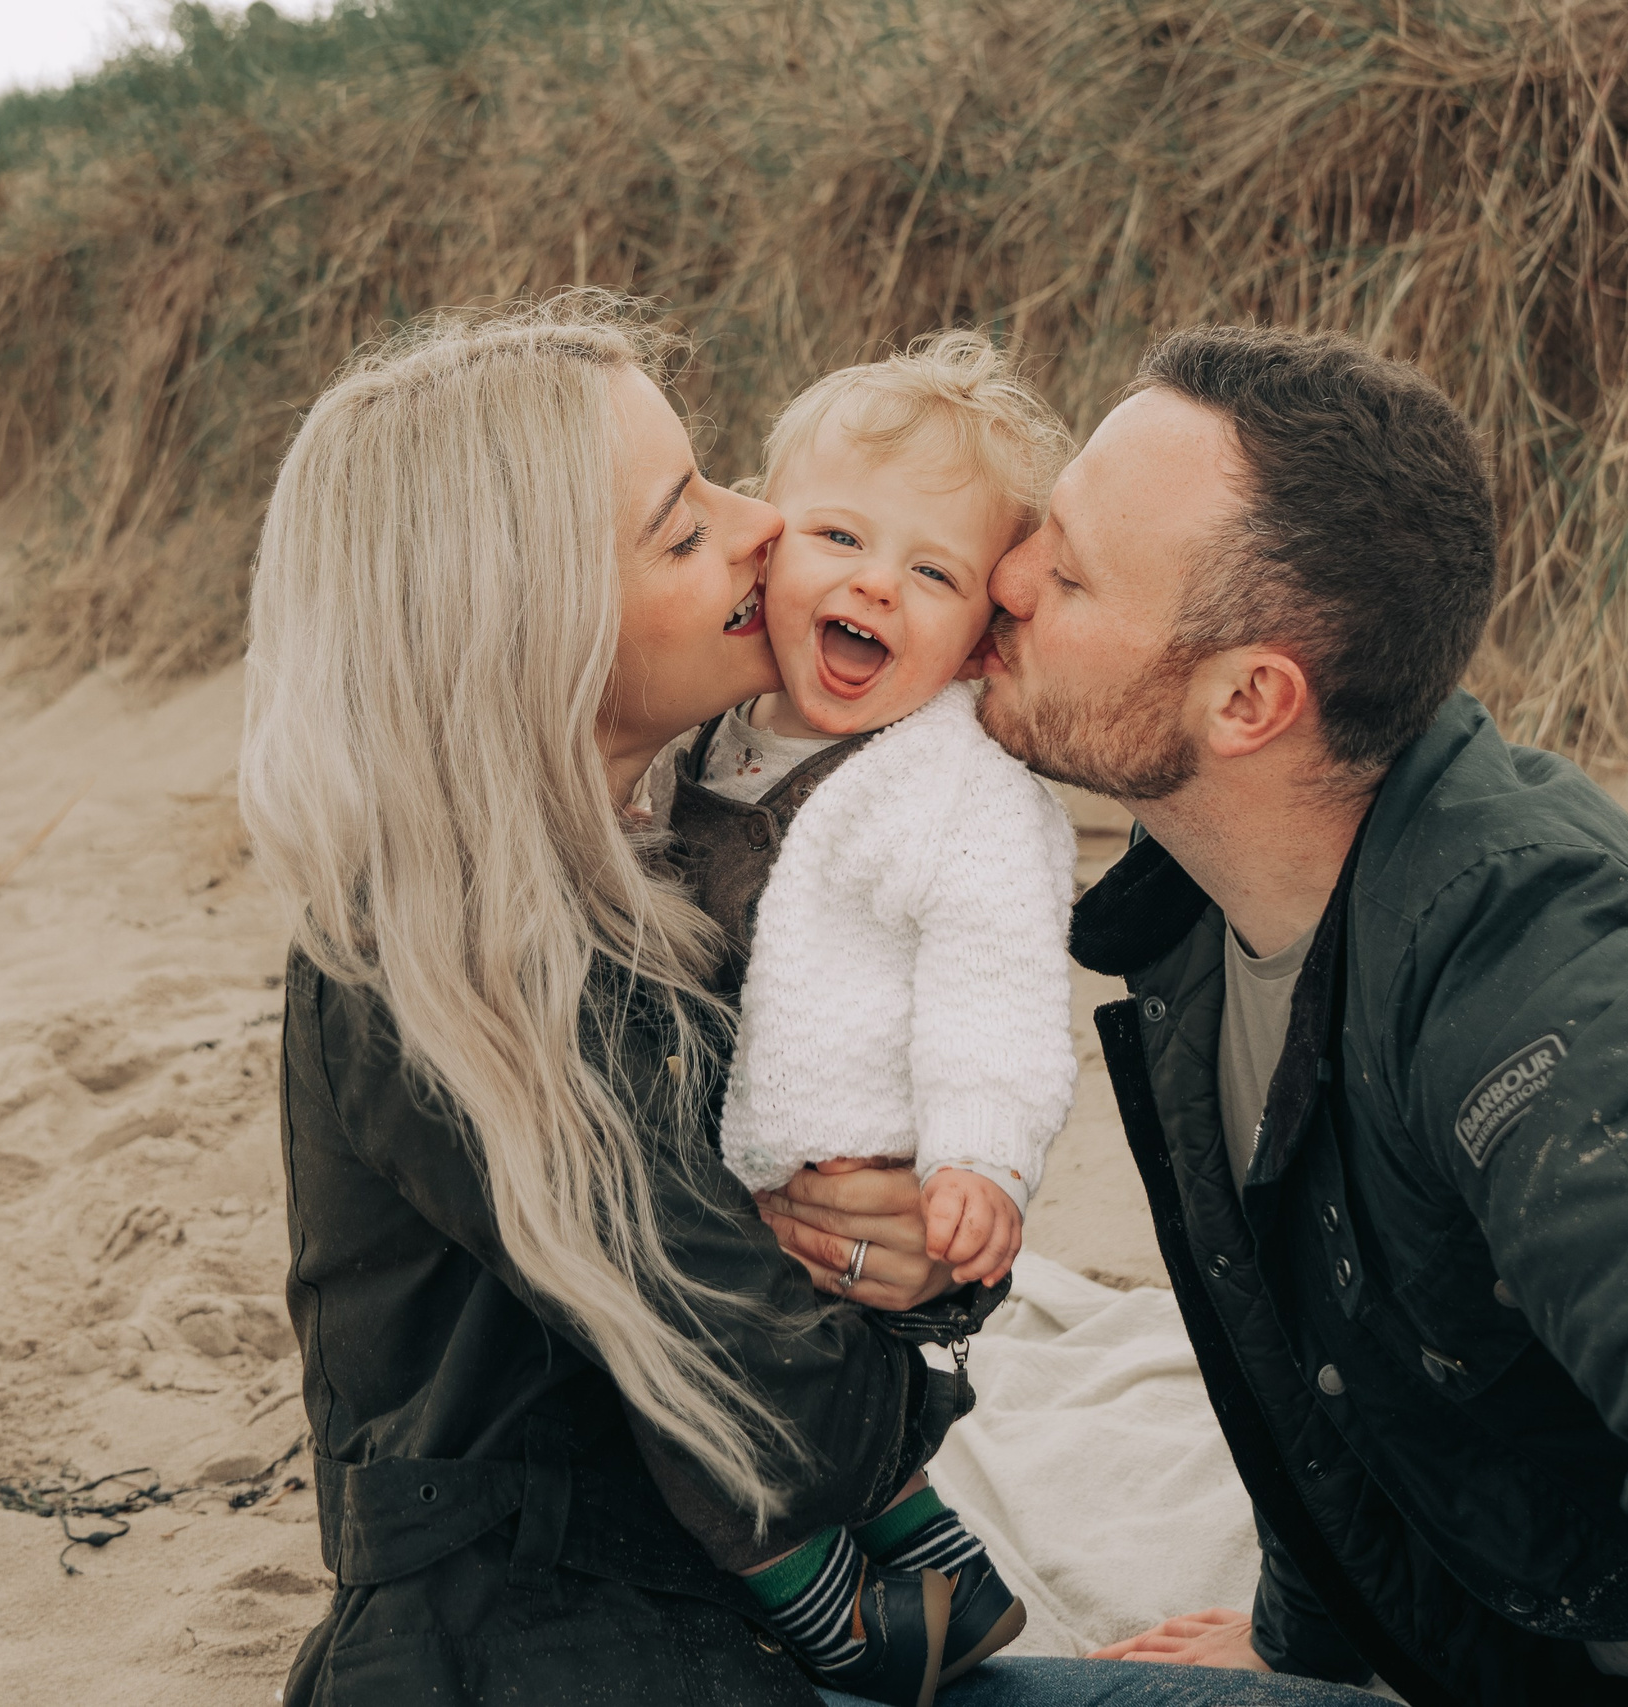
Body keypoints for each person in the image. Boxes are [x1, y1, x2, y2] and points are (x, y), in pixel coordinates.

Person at [772, 323, 1628, 1707]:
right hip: (1584, 1622)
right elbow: (1316, 1359)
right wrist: (1312, 1637)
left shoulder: (1523, 949)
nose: (1004, 577)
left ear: (1249, 699)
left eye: (1065, 570)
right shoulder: (1197, 920)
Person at [242, 295, 1384, 1707]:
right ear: (531, 617)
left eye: (724, 478)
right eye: (682, 524)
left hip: (708, 1624)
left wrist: (904, 1242)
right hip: (572, 1659)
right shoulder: (460, 961)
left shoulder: (634, 860)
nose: (761, 529)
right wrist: (894, 1302)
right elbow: (785, 1423)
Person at [667, 333, 1082, 1701]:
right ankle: (930, 1550)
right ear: (766, 543)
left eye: (934, 571)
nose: (872, 582)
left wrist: (982, 1156)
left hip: (845, 1186)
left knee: (706, 1421)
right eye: (839, 532)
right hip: (730, 1175)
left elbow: (999, 986)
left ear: (980, 632)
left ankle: (835, 1605)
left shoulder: (951, 786)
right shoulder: (713, 728)